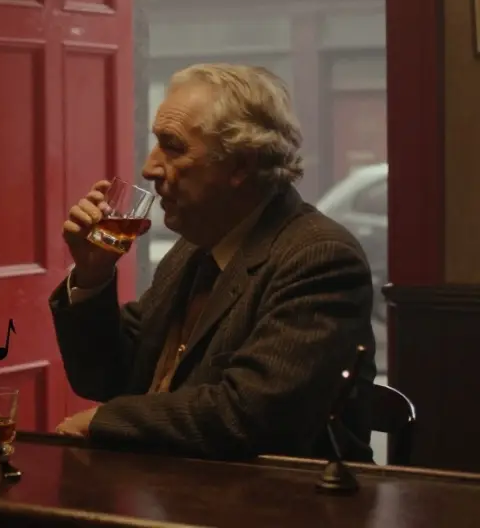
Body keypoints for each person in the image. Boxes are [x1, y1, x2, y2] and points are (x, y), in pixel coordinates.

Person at [48, 63, 376, 462]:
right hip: (182, 496)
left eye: (173, 146)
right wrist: (93, 276)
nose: (149, 167)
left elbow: (252, 415)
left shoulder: (320, 258)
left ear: (241, 164)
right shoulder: (194, 247)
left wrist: (102, 420)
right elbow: (105, 377)